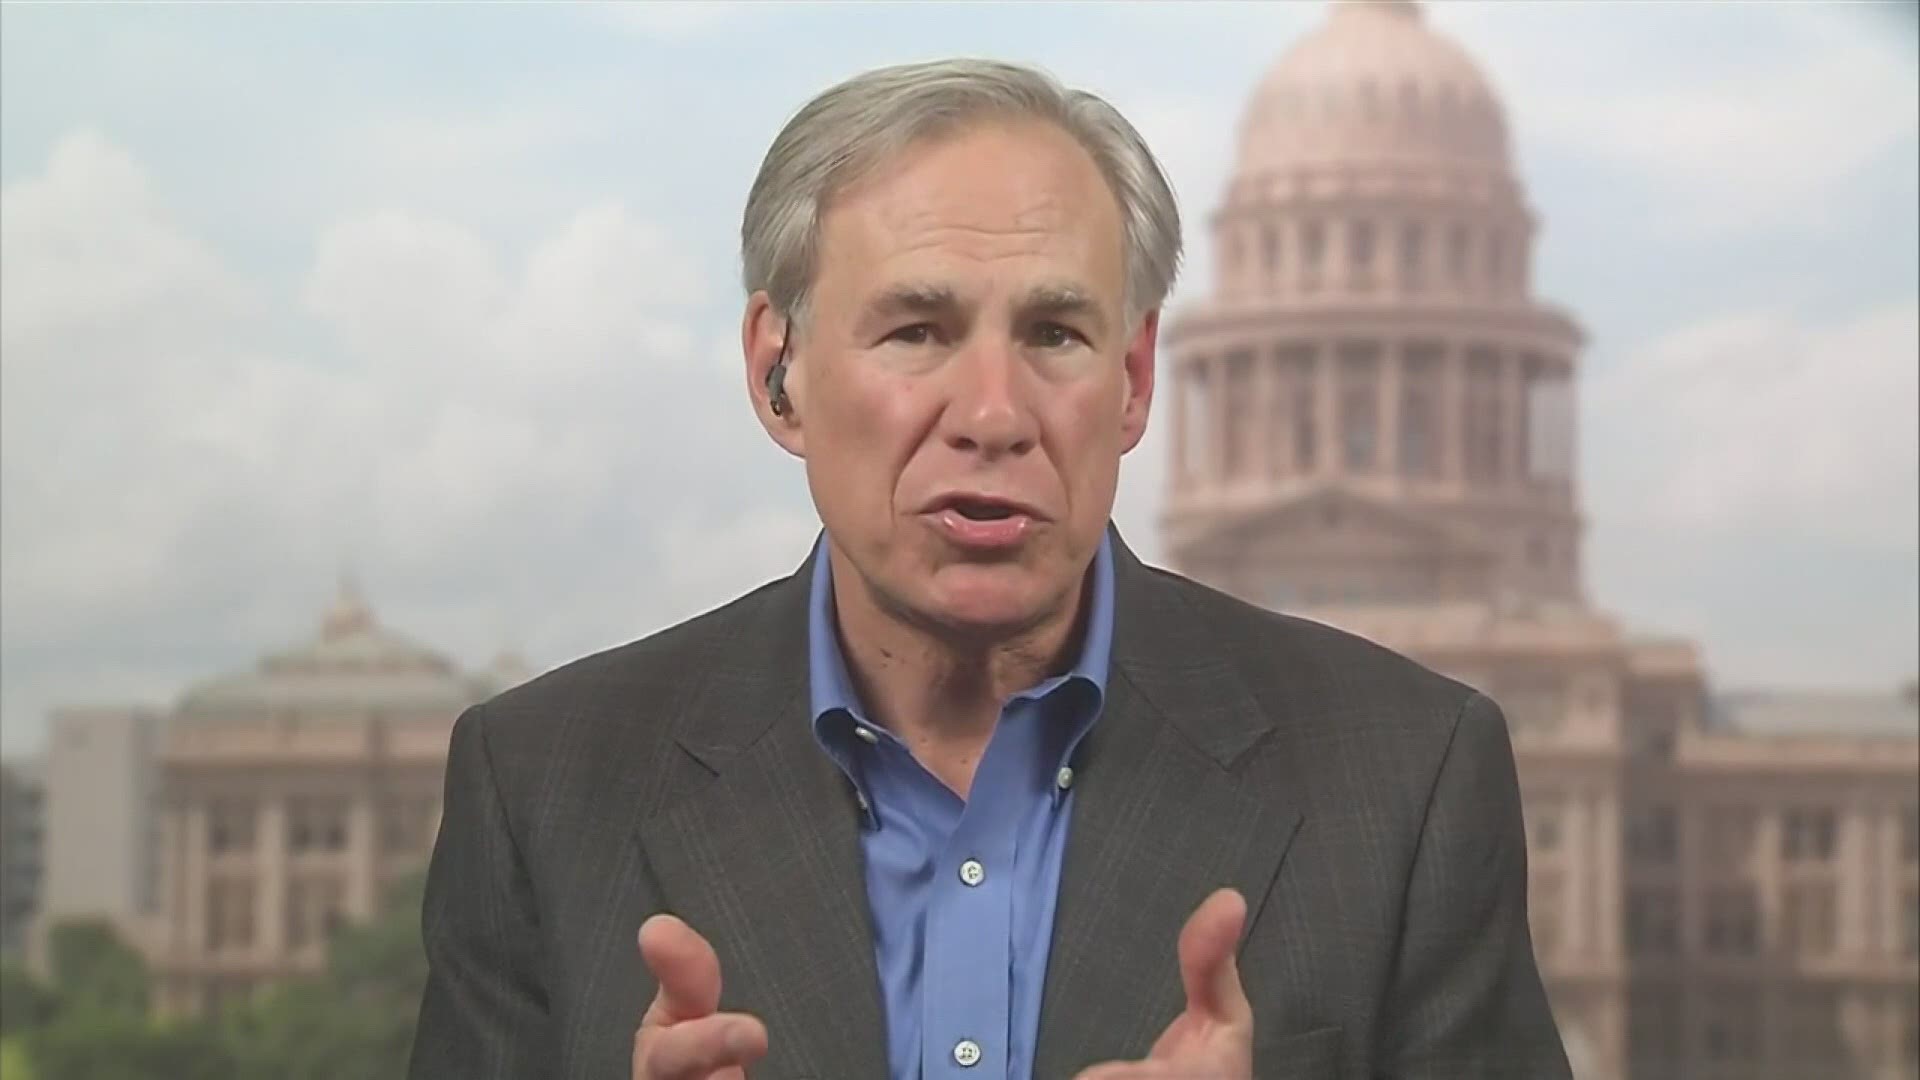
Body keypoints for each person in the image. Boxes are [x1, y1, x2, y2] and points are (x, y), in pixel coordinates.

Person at [407, 58, 1569, 1080]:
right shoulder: (547, 788)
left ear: (1134, 380)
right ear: (779, 373)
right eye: (917, 330)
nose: (995, 414)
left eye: (1055, 335)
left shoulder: (1407, 777)